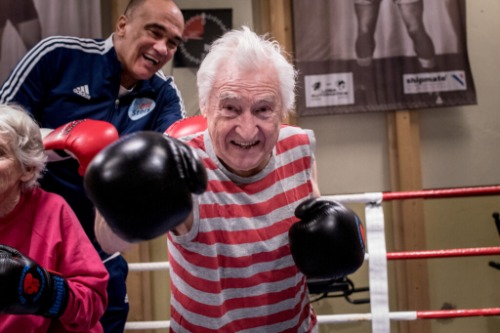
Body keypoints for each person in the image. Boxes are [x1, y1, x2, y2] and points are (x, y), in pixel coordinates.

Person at [87, 26, 366, 332]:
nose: (247, 130)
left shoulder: (299, 146)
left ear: (283, 111)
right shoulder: (184, 164)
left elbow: (309, 239)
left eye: (263, 110)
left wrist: (330, 249)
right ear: (206, 108)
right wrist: (119, 199)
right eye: (231, 108)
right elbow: (109, 240)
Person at [0, 0, 185, 331]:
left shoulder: (164, 96)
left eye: (172, 42)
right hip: (26, 246)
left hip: (100, 258)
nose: (162, 48)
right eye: (155, 32)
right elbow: (2, 126)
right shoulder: (57, 55)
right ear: (123, 25)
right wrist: (62, 140)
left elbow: (176, 157)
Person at [0, 104, 108, 333]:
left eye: (0, 153)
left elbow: (93, 303)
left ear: (27, 168)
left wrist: (48, 292)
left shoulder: (51, 211)